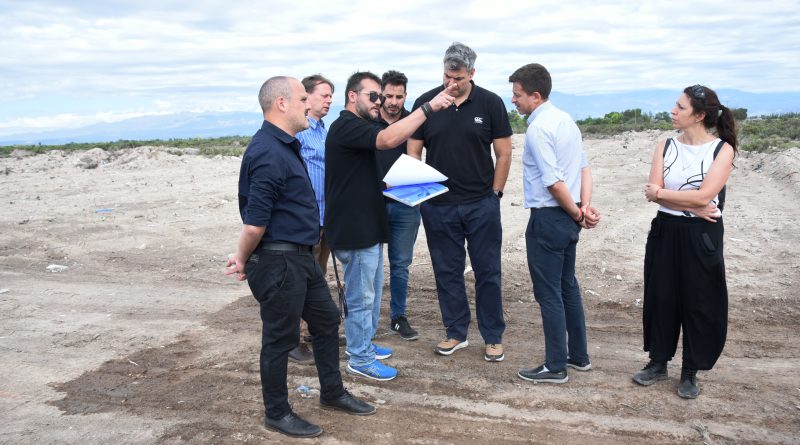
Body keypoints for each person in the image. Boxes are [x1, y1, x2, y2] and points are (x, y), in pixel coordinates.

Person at [225, 76, 375, 438]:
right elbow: (254, 223)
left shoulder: (286, 145)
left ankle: (332, 393)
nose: (309, 105)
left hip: (301, 257)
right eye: (302, 99)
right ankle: (277, 413)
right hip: (278, 261)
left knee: (326, 320)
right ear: (281, 103)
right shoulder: (267, 151)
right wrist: (242, 258)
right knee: (280, 338)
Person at [325, 71, 456, 381]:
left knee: (369, 292)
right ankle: (360, 358)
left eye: (381, 97)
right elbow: (387, 140)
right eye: (374, 96)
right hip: (355, 229)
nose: (380, 102)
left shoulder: (359, 126)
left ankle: (362, 345)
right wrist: (429, 108)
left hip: (367, 227)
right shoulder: (346, 125)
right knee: (361, 297)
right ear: (352, 96)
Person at [407, 42, 512, 362]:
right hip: (438, 206)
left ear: (472, 73)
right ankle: (455, 332)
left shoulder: (491, 103)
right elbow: (413, 151)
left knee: (488, 271)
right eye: (447, 77)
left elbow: (504, 153)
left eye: (458, 78)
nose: (451, 84)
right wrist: (423, 196)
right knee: (447, 271)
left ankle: (493, 336)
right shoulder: (426, 103)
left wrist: (495, 194)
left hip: (481, 203)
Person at [637, 84, 736, 399]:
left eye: (681, 107)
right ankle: (658, 362)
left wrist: (664, 195)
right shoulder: (665, 145)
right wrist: (686, 202)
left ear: (700, 115)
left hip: (702, 234)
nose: (673, 111)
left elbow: (704, 197)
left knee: (699, 301)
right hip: (665, 230)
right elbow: (653, 193)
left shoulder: (722, 150)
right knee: (661, 297)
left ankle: (690, 371)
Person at [508, 63, 601, 385]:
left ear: (535, 96)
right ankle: (579, 356)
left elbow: (553, 183)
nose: (513, 100)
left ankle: (555, 366)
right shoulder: (566, 121)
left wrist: (577, 213)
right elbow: (584, 168)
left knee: (549, 293)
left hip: (550, 217)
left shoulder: (538, 129)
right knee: (567, 286)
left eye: (518, 95)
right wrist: (583, 208)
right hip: (568, 214)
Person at [290, 74, 335, 365]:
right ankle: (291, 338)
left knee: (317, 277)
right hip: (307, 219)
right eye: (324, 95)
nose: (329, 100)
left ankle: (310, 331)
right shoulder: (299, 131)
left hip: (325, 218)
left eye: (331, 96)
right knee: (299, 280)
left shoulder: (322, 130)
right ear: (307, 97)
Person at [374, 70, 421, 341]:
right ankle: (367, 320)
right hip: (372, 203)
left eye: (399, 97)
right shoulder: (369, 121)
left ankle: (398, 317)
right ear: (381, 94)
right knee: (370, 264)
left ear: (406, 96)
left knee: (401, 264)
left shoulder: (413, 122)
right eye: (389, 96)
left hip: (405, 203)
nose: (393, 102)